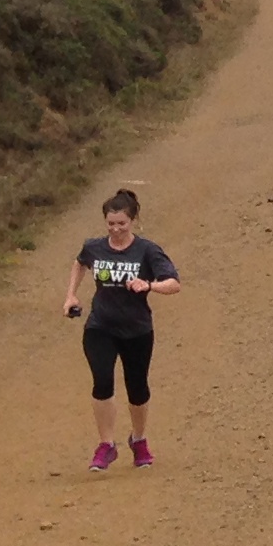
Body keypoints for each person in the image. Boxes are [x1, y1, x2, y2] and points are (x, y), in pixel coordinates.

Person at [62, 187, 179, 470]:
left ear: (133, 221)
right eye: (111, 223)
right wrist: (71, 295)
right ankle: (106, 445)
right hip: (100, 326)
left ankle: (139, 439)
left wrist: (148, 285)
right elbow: (79, 263)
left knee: (137, 388)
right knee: (102, 381)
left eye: (121, 224)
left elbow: (174, 283)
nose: (115, 229)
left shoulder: (147, 250)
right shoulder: (94, 247)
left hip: (137, 330)